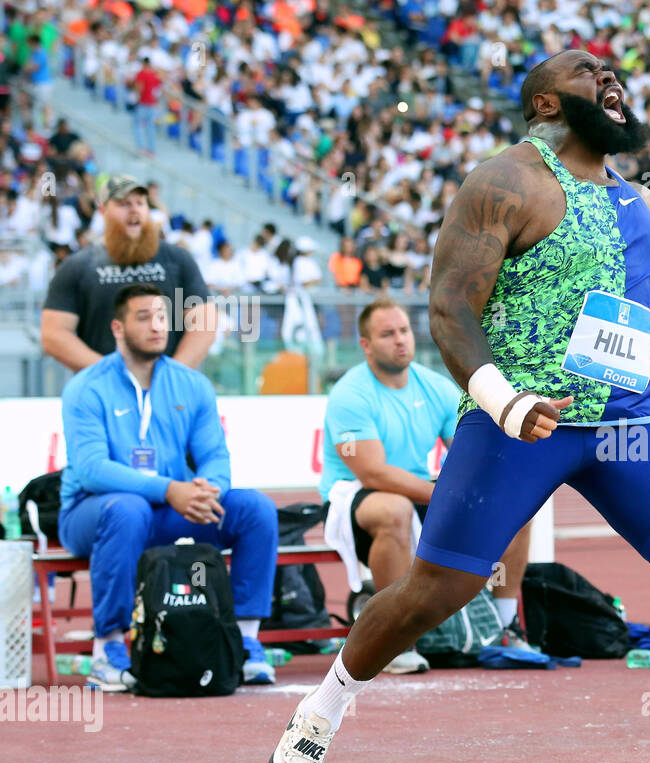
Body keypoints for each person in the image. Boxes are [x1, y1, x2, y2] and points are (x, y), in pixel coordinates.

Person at [264, 50, 650, 763]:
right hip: (522, 416)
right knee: (438, 592)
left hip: (626, 419)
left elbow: (638, 329)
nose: (608, 76)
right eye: (585, 69)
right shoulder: (506, 181)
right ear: (543, 104)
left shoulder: (634, 202)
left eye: (612, 69)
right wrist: (504, 400)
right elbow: (450, 310)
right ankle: (316, 718)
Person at [58, 283, 279, 690]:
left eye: (162, 317)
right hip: (92, 514)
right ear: (118, 328)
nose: (157, 325)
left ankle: (245, 641)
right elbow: (91, 469)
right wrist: (170, 490)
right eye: (144, 317)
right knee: (127, 509)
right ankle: (107, 648)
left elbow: (215, 454)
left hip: (167, 511)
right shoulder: (86, 387)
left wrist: (209, 488)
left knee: (255, 510)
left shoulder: (191, 385)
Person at [319, 297, 534, 673]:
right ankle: (396, 643)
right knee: (395, 510)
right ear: (366, 345)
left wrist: (478, 490)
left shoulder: (433, 386)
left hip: (418, 489)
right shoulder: (350, 394)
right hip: (353, 497)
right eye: (387, 334)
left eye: (404, 331)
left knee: (513, 507)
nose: (400, 340)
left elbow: (471, 450)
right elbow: (373, 473)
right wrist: (443, 495)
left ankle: (505, 627)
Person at [41, 175, 218, 372]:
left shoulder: (177, 259)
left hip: (168, 392)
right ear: (102, 210)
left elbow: (204, 324)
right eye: (124, 204)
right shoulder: (78, 266)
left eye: (140, 203)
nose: (134, 209)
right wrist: (110, 375)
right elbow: (54, 333)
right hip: (103, 394)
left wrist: (172, 375)